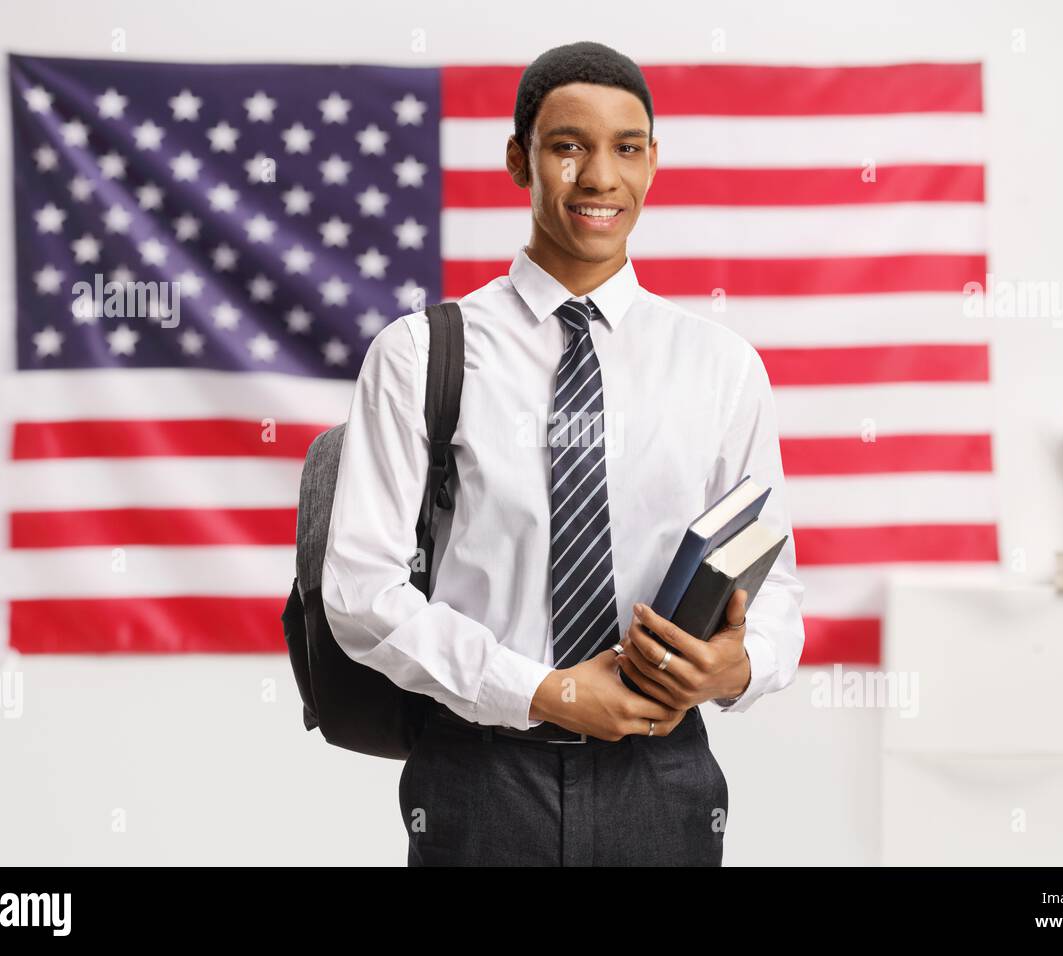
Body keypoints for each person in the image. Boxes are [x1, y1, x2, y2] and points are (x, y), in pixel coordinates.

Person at [321, 39, 806, 866]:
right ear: (521, 160)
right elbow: (360, 591)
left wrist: (734, 667)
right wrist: (542, 691)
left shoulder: (722, 367)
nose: (599, 178)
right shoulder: (421, 353)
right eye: (567, 146)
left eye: (626, 148)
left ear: (653, 162)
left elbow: (774, 586)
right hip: (481, 775)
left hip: (664, 778)